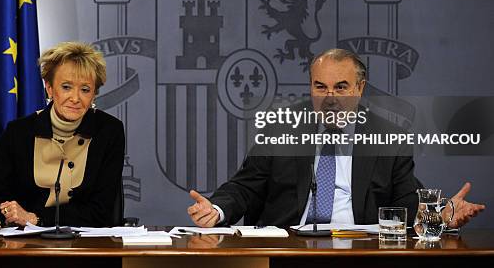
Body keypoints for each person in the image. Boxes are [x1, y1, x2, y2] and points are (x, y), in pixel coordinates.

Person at [188, 48, 485, 228]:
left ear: (359, 88)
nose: (330, 97)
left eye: (341, 87)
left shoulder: (388, 137)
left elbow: (406, 200)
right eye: (320, 87)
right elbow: (245, 187)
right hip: (291, 248)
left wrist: (438, 215)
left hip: (361, 253)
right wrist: (216, 209)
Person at [0, 41, 124, 227]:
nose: (75, 98)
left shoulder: (109, 131)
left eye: (85, 90)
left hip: (85, 246)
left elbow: (101, 211)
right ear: (49, 88)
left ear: (94, 94)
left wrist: (35, 218)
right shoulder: (19, 132)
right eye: (66, 87)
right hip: (25, 246)